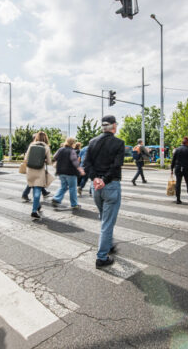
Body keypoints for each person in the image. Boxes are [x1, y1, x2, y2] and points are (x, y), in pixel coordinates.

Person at [84, 115, 125, 268]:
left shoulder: (92, 142)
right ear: (113, 126)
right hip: (110, 186)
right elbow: (116, 165)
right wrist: (104, 180)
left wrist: (95, 179)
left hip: (96, 188)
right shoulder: (119, 143)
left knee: (104, 218)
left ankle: (108, 244)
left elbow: (87, 164)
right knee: (107, 223)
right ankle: (101, 257)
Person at [51, 137, 85, 210]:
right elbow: (75, 162)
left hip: (60, 172)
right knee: (72, 188)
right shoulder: (71, 151)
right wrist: (80, 169)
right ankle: (74, 204)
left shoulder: (60, 150)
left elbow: (54, 157)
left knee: (63, 186)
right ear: (73, 143)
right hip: (70, 172)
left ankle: (56, 198)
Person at [25, 131, 53, 219]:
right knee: (37, 191)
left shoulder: (31, 145)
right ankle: (34, 211)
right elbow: (49, 162)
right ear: (45, 138)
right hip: (39, 171)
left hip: (30, 170)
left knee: (34, 189)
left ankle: (37, 205)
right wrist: (44, 160)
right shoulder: (46, 147)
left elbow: (26, 158)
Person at [170, 137, 188, 204]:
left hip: (178, 168)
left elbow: (173, 160)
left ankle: (178, 199)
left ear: (182, 142)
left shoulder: (177, 149)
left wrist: (171, 169)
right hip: (187, 168)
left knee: (178, 183)